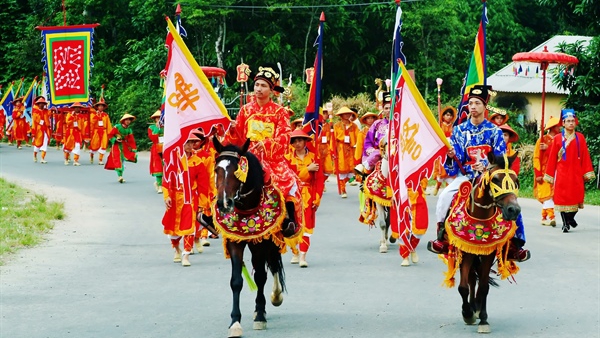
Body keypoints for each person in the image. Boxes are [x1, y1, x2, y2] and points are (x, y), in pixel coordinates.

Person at [427, 85, 530, 261]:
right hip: (466, 178)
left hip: (489, 178)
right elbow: (456, 160)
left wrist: (485, 167)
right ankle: (441, 237)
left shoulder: (495, 131)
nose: (473, 107)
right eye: (471, 103)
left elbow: (499, 157)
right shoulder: (459, 131)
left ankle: (516, 244)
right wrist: (451, 155)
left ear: (484, 106)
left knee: (510, 199)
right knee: (444, 196)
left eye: (477, 103)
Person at [225, 65, 302, 237]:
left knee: (289, 181)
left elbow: (284, 136)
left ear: (271, 89)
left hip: (271, 159)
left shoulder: (280, 112)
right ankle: (219, 216)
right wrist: (231, 129)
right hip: (248, 158)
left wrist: (266, 144)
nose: (258, 89)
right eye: (257, 84)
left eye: (263, 86)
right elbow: (238, 137)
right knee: (224, 177)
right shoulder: (245, 110)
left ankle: (289, 220)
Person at [544, 109, 595, 233]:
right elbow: (551, 159)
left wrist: (586, 172)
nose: (571, 123)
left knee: (577, 197)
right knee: (562, 198)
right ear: (563, 123)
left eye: (573, 121)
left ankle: (571, 218)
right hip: (562, 173)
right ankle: (566, 224)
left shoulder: (580, 138)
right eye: (568, 121)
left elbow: (585, 156)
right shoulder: (557, 139)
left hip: (576, 172)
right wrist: (549, 174)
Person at [162, 133, 203, 267]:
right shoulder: (173, 160)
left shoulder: (198, 161)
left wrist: (203, 202)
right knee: (172, 228)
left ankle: (186, 255)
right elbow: (166, 179)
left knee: (189, 227)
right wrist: (166, 195)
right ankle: (176, 249)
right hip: (174, 198)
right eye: (188, 142)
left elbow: (203, 184)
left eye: (192, 143)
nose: (190, 145)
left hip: (189, 199)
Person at [284, 129, 321, 267]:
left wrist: (317, 198)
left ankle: (303, 256)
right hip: (292, 196)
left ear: (305, 141)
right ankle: (294, 251)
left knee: (306, 227)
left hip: (309, 195)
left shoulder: (314, 157)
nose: (298, 143)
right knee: (293, 224)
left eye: (300, 140)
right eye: (294, 141)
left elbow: (319, 180)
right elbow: (289, 177)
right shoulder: (287, 158)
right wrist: (307, 169)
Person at [498, 123, 529, 260]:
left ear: (509, 138)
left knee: (515, 210)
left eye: (505, 135)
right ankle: (446, 236)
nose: (502, 137)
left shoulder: (512, 154)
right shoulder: (489, 148)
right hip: (486, 179)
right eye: (501, 134)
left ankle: (515, 246)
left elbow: (514, 172)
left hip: (506, 185)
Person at [533, 116, 560, 226]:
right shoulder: (542, 140)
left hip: (557, 171)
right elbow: (536, 157)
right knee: (546, 195)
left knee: (552, 195)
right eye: (558, 126)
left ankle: (544, 217)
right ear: (553, 127)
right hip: (544, 172)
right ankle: (552, 217)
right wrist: (538, 174)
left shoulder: (560, 139)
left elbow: (560, 154)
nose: (560, 128)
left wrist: (548, 149)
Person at [360, 92, 391, 173]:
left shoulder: (399, 123)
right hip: (379, 155)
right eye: (386, 108)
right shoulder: (377, 124)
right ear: (383, 110)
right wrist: (372, 151)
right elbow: (368, 140)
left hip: (395, 155)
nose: (388, 110)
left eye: (390, 108)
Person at [332, 106, 359, 198]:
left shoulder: (354, 126)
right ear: (341, 115)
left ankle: (344, 183)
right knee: (341, 169)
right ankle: (343, 189)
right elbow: (333, 139)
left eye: (348, 113)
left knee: (352, 170)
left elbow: (358, 138)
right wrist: (333, 151)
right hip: (341, 149)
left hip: (351, 149)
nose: (347, 115)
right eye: (345, 114)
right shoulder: (337, 126)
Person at [431, 107, 457, 195]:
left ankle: (448, 190)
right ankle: (437, 186)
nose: (449, 117)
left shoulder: (454, 127)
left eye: (450, 115)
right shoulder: (439, 125)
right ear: (443, 116)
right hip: (442, 150)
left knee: (450, 170)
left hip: (451, 150)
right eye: (447, 115)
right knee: (441, 170)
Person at [104, 113, 137, 183]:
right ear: (123, 120)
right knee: (117, 160)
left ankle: (120, 175)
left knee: (122, 160)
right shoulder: (117, 127)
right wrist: (115, 139)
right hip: (116, 146)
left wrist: (133, 149)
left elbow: (131, 140)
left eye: (129, 120)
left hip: (125, 146)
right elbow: (110, 135)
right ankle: (120, 176)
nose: (128, 121)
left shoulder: (129, 130)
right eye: (126, 120)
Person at [354, 111, 378, 182]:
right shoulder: (362, 133)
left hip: (377, 156)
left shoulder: (378, 130)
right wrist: (358, 160)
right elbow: (359, 147)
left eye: (372, 118)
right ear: (365, 120)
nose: (370, 120)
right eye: (368, 118)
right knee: (366, 177)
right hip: (366, 157)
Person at [89, 98, 112, 165]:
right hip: (96, 131)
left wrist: (110, 134)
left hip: (104, 131)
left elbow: (108, 124)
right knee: (94, 144)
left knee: (103, 145)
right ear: (97, 107)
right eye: (99, 106)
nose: (101, 107)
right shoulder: (93, 114)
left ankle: (100, 159)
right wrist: (97, 116)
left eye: (102, 106)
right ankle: (92, 156)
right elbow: (91, 123)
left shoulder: (105, 115)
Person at [31, 97, 51, 164]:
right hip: (38, 130)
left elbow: (50, 114)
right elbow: (35, 122)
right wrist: (33, 132)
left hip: (45, 130)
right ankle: (35, 155)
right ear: (38, 104)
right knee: (37, 144)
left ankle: (42, 158)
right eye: (40, 103)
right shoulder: (35, 112)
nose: (42, 105)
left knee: (45, 144)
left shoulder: (46, 111)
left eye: (43, 103)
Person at [148, 110, 164, 193]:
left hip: (166, 147)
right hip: (156, 148)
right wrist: (157, 128)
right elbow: (153, 138)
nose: (159, 119)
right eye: (157, 118)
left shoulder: (168, 126)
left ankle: (163, 184)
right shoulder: (151, 128)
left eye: (160, 118)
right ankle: (160, 185)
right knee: (158, 167)